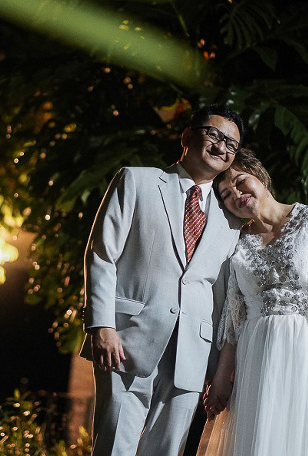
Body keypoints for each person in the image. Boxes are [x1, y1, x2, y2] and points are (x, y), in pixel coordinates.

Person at [80, 105, 245, 456]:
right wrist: (101, 325)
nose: (221, 147)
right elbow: (102, 256)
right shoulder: (136, 181)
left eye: (231, 144)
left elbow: (222, 296)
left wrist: (217, 368)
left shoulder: (230, 219)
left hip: (192, 354)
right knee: (113, 448)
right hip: (125, 342)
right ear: (187, 136)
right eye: (214, 135)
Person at [198, 148, 308, 456]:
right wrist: (222, 378)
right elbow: (233, 319)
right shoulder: (236, 243)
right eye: (226, 195)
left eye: (240, 181)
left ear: (260, 177)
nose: (236, 194)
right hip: (258, 359)